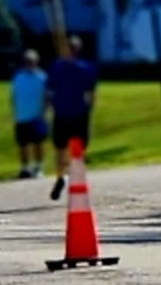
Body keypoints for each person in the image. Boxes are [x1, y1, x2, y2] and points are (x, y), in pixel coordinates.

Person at [47, 33, 97, 201]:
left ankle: (70, 175)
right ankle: (62, 176)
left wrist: (89, 108)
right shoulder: (59, 67)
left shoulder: (82, 68)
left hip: (73, 112)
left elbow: (90, 92)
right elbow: (50, 90)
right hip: (67, 112)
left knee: (74, 148)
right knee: (65, 148)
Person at [10, 47, 49, 178]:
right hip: (22, 115)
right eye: (27, 61)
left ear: (36, 62)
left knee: (38, 143)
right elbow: (14, 96)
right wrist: (15, 112)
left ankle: (39, 167)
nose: (30, 63)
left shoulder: (42, 77)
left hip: (37, 115)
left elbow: (47, 96)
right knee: (23, 144)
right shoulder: (18, 77)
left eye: (32, 61)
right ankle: (25, 168)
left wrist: (45, 111)